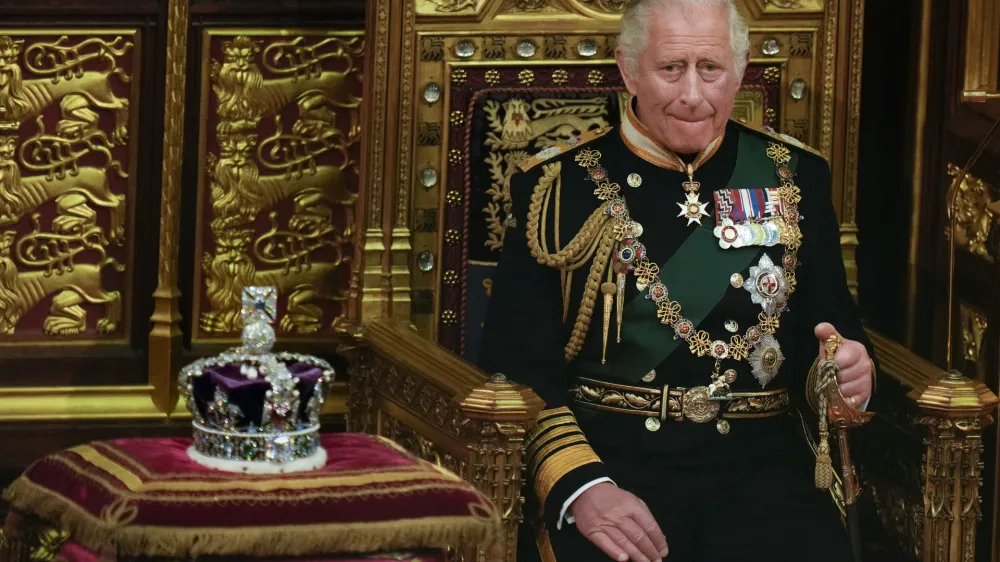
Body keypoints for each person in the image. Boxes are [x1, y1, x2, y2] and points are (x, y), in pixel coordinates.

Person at [477, 0, 877, 561]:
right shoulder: (557, 186)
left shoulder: (794, 175)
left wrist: (844, 373)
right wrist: (581, 488)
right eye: (671, 69)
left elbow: (832, 334)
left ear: (738, 71)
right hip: (614, 465)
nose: (692, 94)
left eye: (711, 69)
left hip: (764, 473)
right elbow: (514, 367)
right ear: (628, 68)